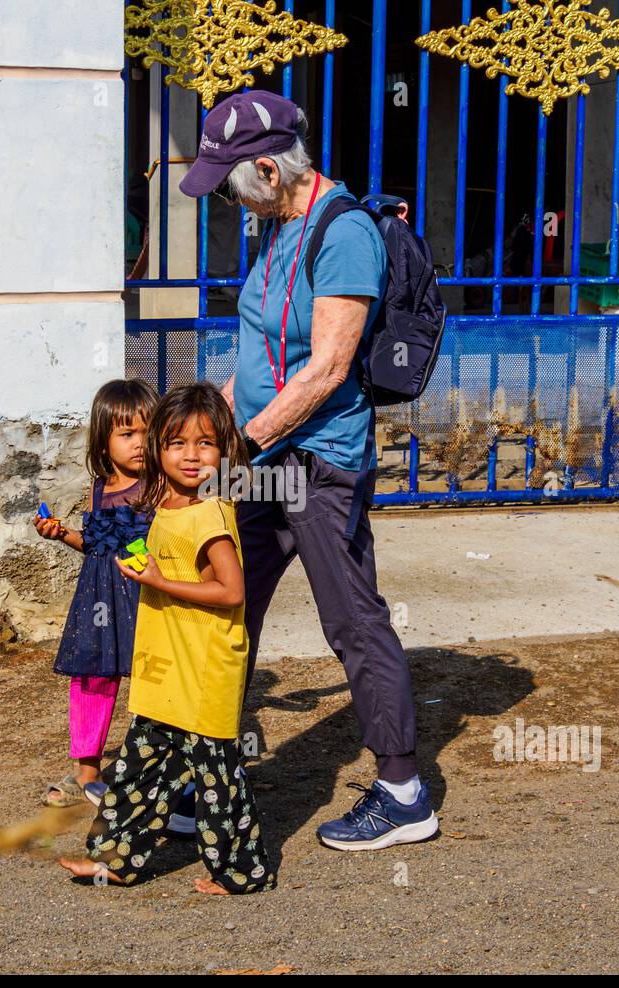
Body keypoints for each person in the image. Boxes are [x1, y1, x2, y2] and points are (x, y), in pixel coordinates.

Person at [177, 89, 438, 850]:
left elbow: (326, 367)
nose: (226, 194)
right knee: (225, 605)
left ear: (268, 166)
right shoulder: (278, 226)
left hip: (317, 462)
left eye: (231, 177)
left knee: (352, 619)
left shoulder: (344, 233)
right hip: (260, 454)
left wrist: (243, 444)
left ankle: (403, 792)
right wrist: (209, 427)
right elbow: (263, 356)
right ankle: (212, 773)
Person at [58, 383, 274, 895]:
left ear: (225, 451)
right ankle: (115, 861)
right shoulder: (166, 507)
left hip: (203, 674)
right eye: (177, 443)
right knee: (135, 775)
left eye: (206, 444)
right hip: (164, 672)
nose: (192, 456)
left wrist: (157, 581)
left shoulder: (211, 515)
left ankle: (243, 873)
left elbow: (231, 590)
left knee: (219, 783)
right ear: (158, 449)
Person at [36, 379, 158, 807]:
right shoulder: (99, 487)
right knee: (91, 678)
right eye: (127, 434)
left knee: (153, 680)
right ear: (104, 441)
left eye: (148, 432)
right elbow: (97, 544)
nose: (139, 443)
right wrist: (62, 533)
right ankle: (85, 771)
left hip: (147, 596)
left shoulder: (161, 488)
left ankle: (155, 770)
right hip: (98, 597)